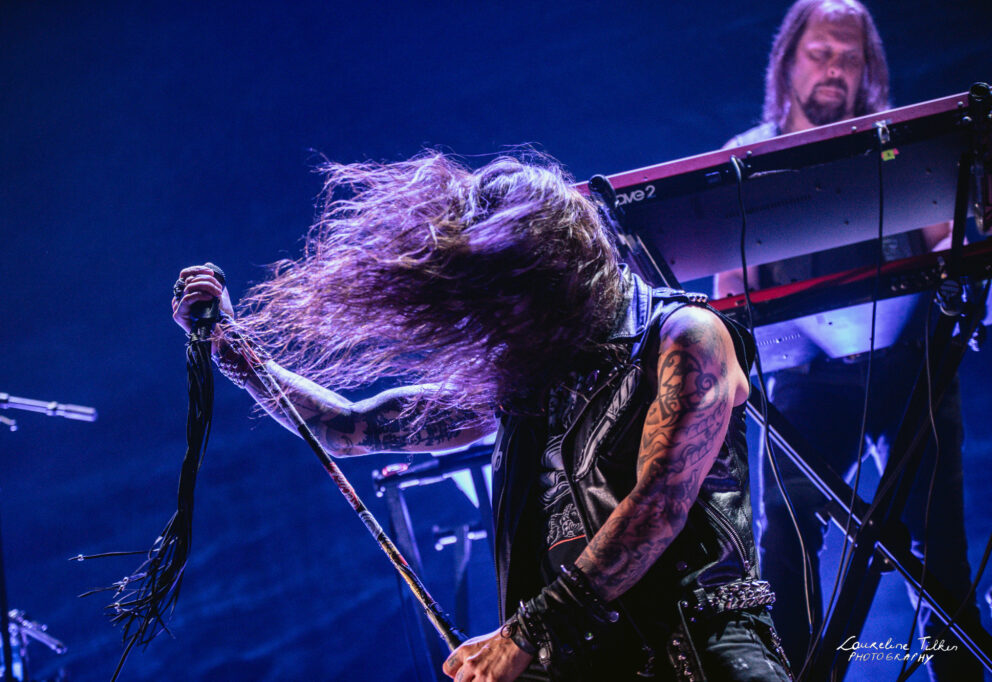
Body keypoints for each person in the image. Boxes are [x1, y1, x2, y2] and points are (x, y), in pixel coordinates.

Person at [173, 152, 792, 681]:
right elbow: (350, 427)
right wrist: (234, 351)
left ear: (557, 275)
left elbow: (659, 507)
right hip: (585, 658)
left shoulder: (687, 336)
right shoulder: (530, 377)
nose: (493, 324)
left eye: (505, 300)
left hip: (701, 651)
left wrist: (524, 634)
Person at [715, 1, 981, 680]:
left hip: (910, 367)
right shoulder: (747, 157)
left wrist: (957, 255)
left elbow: (945, 240)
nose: (835, 68)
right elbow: (731, 292)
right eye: (821, 53)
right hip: (806, 381)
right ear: (788, 61)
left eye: (849, 57)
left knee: (941, 552)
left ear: (868, 69)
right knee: (785, 542)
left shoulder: (898, 142)